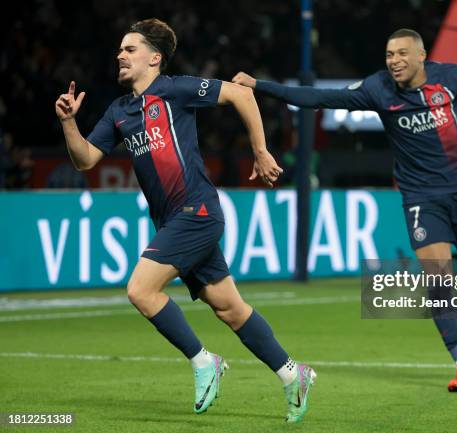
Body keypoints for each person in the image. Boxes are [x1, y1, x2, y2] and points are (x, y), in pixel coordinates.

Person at [233, 27, 457, 392]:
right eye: (389, 55)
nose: (394, 61)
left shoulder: (452, 78)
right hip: (421, 198)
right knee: (437, 278)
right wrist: (260, 86)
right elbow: (318, 97)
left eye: (402, 54)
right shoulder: (378, 89)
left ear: (421, 56)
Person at [55, 18, 315, 423]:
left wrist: (261, 151)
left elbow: (242, 96)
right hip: (175, 221)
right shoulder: (120, 111)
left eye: (130, 49)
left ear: (154, 58)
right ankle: (292, 373)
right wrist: (69, 122)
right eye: (120, 49)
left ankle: (202, 361)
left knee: (141, 290)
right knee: (229, 308)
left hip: (197, 211)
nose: (120, 55)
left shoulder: (174, 89)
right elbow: (86, 159)